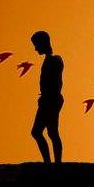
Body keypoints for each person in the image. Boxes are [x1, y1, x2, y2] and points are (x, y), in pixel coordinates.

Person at [29, 30, 65, 163]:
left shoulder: (55, 60)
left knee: (50, 132)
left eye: (36, 45)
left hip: (51, 100)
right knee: (42, 132)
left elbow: (57, 82)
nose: (35, 48)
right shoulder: (49, 60)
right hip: (47, 99)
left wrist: (48, 97)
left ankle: (55, 162)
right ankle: (51, 162)